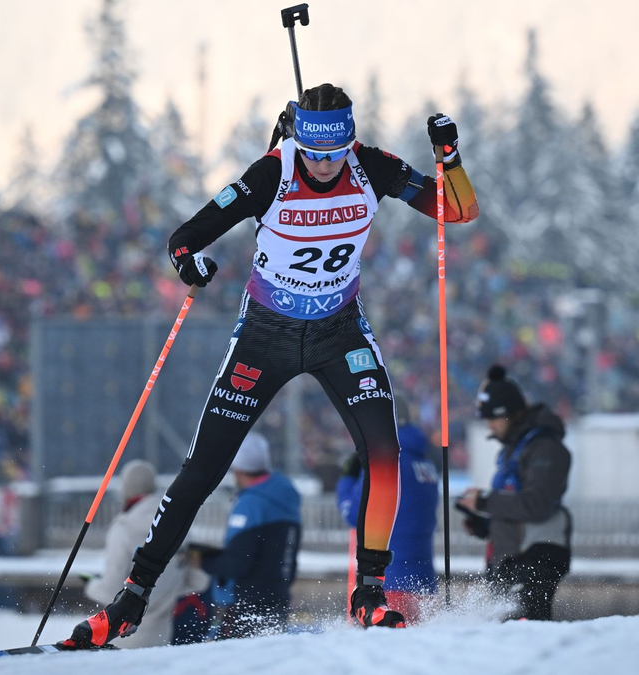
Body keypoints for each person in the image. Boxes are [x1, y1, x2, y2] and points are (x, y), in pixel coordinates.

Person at [65, 82, 478, 648]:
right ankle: (132, 598)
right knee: (202, 471)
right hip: (265, 335)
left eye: (336, 153)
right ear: (300, 142)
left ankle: (370, 592)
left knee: (385, 454)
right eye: (316, 153)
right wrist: (191, 266)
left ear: (349, 143)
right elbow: (186, 237)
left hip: (339, 332)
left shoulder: (372, 167)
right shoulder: (272, 172)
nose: (327, 165)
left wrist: (448, 157)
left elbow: (456, 210)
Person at [458, 365, 572, 622]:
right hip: (511, 558)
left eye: (492, 419)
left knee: (525, 631)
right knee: (507, 635)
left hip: (536, 556)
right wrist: (484, 522)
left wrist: (486, 501)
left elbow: (536, 504)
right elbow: (515, 506)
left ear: (509, 414)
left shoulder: (545, 447)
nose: (489, 427)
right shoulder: (515, 448)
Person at [84, 460, 209, 648]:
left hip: (123, 640)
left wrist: (90, 584)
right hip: (161, 638)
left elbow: (110, 589)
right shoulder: (177, 526)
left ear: (125, 489)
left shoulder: (123, 529)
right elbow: (197, 580)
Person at [336, 422, 438, 624]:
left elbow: (355, 514)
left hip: (389, 580)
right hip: (424, 582)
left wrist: (347, 480)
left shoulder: (387, 459)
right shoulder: (424, 461)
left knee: (384, 651)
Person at [204, 432, 301, 639]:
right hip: (278, 596)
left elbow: (237, 564)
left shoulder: (251, 504)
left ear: (238, 470)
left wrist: (201, 559)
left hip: (246, 604)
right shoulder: (285, 495)